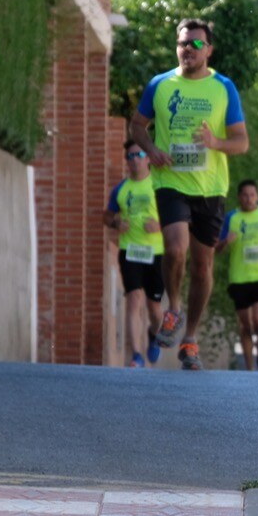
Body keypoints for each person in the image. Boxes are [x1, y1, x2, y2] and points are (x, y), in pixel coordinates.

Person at [132, 18, 249, 371]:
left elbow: (242, 142)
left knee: (203, 265)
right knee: (176, 248)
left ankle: (191, 338)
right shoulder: (160, 85)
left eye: (196, 44)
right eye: (183, 43)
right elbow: (138, 126)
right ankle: (174, 310)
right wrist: (151, 150)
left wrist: (216, 143)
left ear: (208, 50)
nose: (188, 49)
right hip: (170, 182)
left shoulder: (223, 87)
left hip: (210, 188)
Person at [104, 140, 165, 368]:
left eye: (139, 154)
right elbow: (107, 216)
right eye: (130, 156)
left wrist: (159, 225)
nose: (135, 159)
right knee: (134, 300)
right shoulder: (121, 189)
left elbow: (177, 219)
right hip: (130, 251)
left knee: (154, 308)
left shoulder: (159, 186)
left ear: (148, 158)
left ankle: (154, 334)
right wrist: (116, 221)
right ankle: (136, 356)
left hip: (156, 252)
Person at [218, 179, 258, 371]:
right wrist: (226, 241)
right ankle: (250, 369)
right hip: (239, 277)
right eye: (245, 195)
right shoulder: (231, 217)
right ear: (239, 197)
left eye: (252, 195)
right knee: (245, 325)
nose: (249, 199)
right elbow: (216, 248)